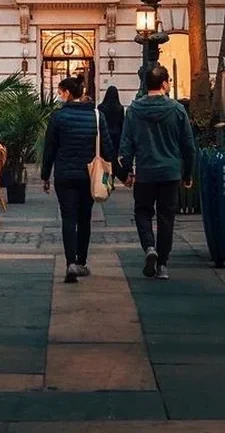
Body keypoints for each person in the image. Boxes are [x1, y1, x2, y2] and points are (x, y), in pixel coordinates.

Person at [119, 65, 197, 280]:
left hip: (145, 171)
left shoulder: (134, 110)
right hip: (170, 172)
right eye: (169, 81)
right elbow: (188, 145)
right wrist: (188, 173)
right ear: (164, 83)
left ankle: (149, 247)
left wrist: (126, 171)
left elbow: (126, 145)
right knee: (166, 218)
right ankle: (162, 263)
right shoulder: (177, 109)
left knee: (142, 212)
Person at [40, 76, 114, 284]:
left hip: (65, 175)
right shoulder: (97, 116)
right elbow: (107, 147)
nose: (58, 95)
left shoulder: (58, 117)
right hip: (89, 176)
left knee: (68, 218)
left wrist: (46, 175)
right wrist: (115, 174)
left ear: (68, 93)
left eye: (60, 91)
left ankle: (70, 263)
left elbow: (50, 149)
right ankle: (81, 262)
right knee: (84, 219)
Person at [98, 86, 126, 181]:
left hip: (104, 136)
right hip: (116, 137)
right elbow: (122, 123)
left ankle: (105, 179)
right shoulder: (120, 108)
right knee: (114, 159)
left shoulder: (101, 107)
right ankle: (113, 178)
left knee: (105, 159)